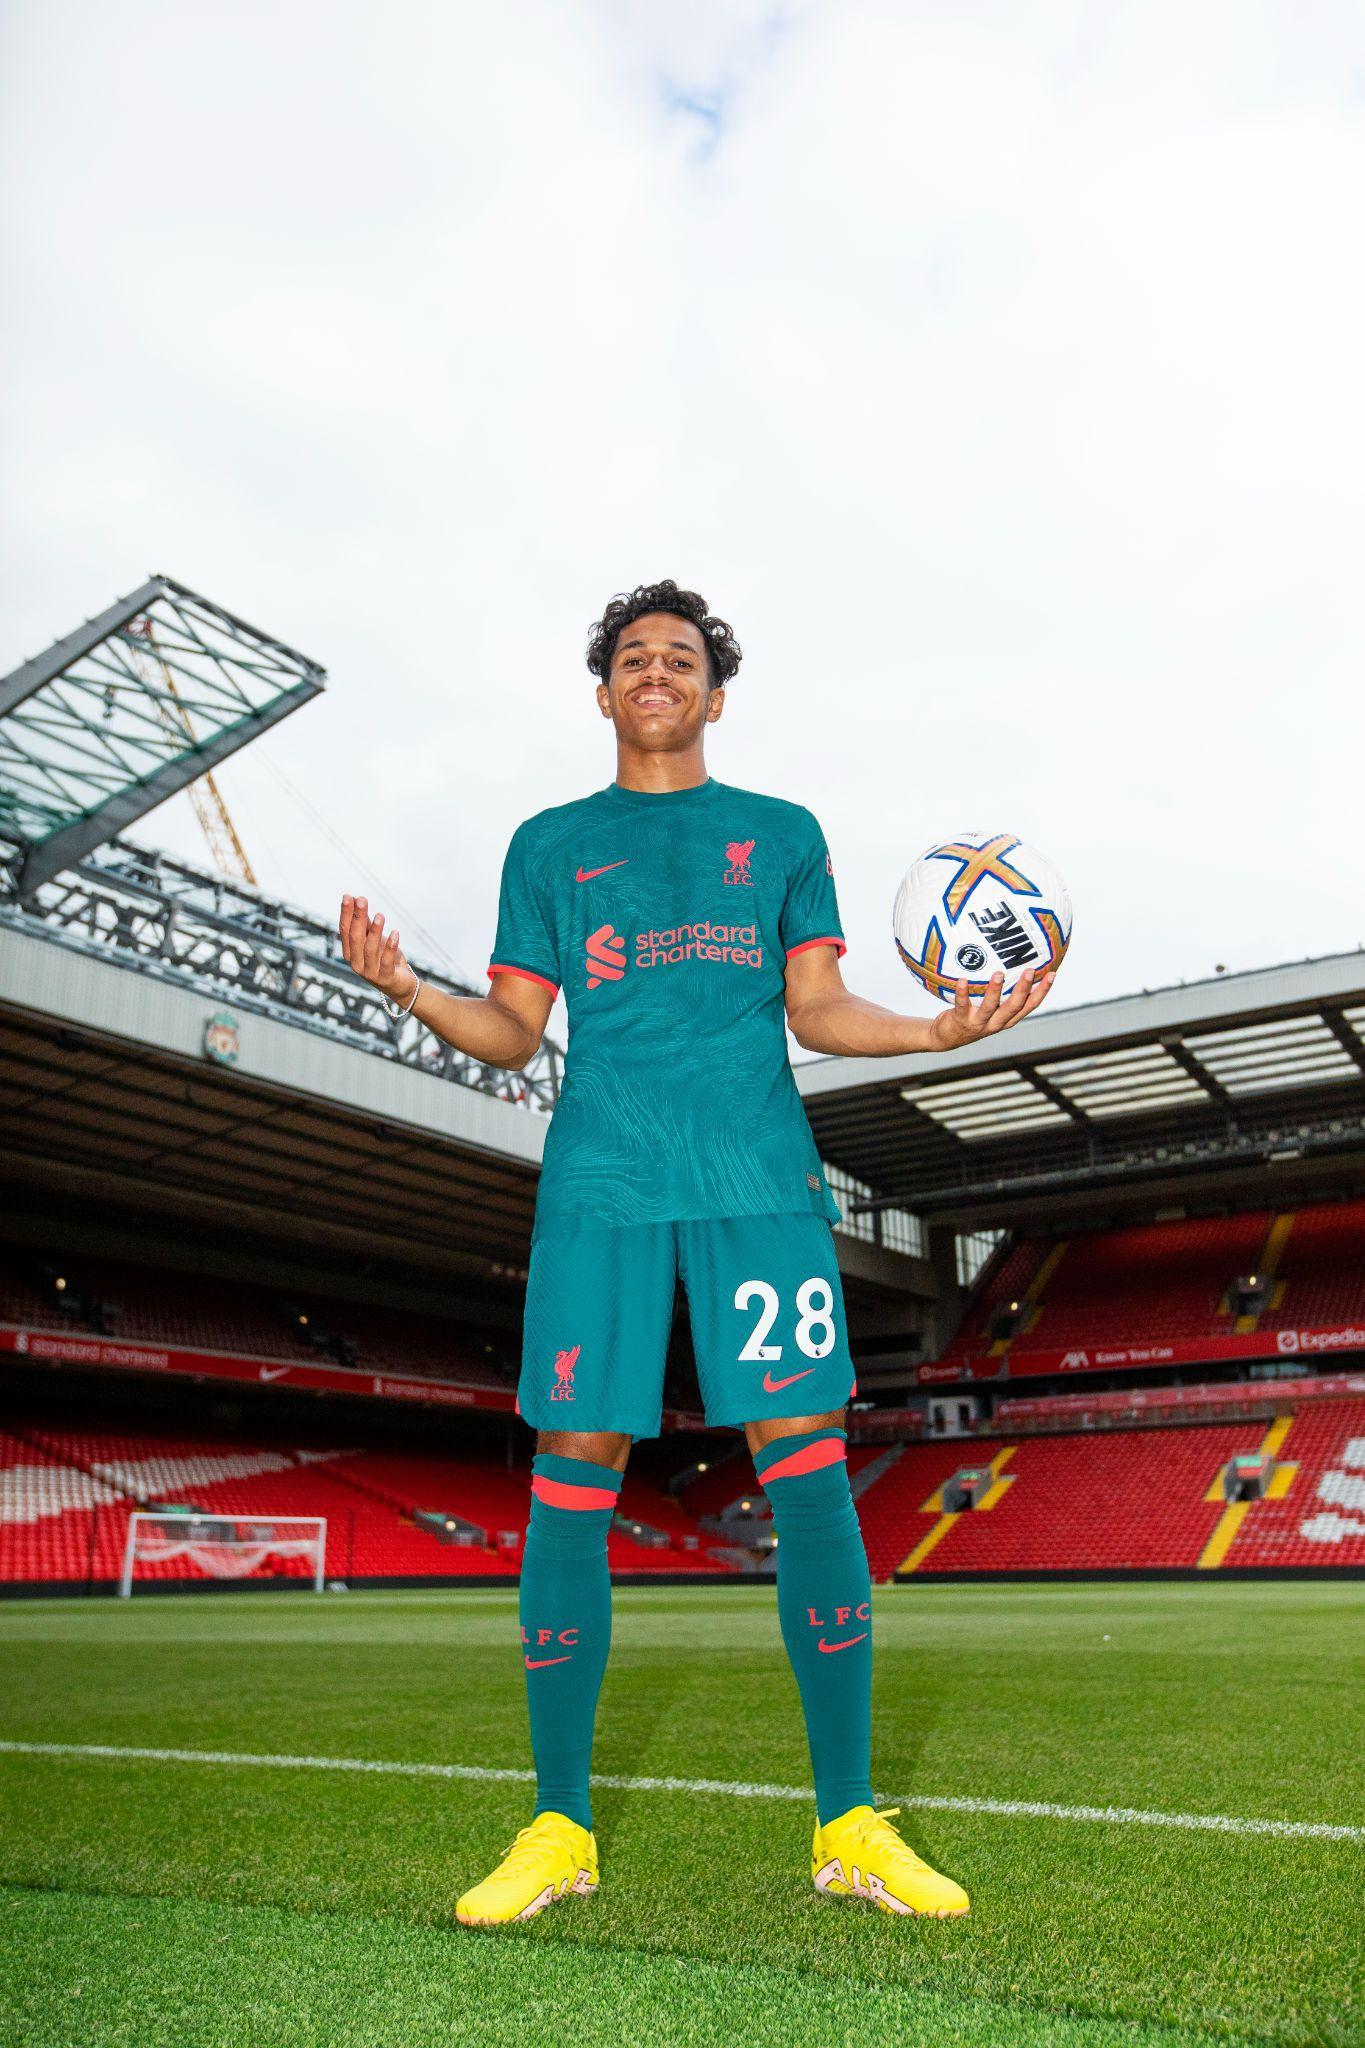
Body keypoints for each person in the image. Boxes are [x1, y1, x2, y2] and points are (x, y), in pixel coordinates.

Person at [338, 579, 1052, 1925]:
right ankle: (559, 1826)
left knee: (807, 1467)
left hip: (754, 1183)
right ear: (603, 692)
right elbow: (513, 1031)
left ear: (715, 695)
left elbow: (818, 1008)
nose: (655, 671)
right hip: (602, 1188)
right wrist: (407, 989)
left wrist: (933, 1031)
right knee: (573, 1468)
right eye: (632, 657)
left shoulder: (780, 833)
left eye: (679, 658)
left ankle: (849, 1823)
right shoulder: (549, 845)